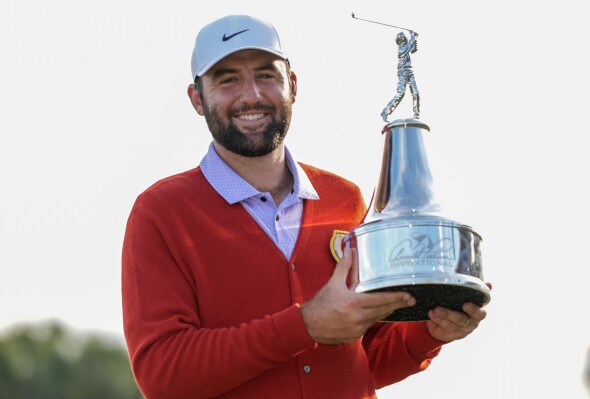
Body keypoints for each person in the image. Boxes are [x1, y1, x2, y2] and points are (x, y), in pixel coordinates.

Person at [121, 14, 489, 399]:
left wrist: (430, 333)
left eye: (266, 75)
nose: (251, 95)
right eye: (228, 79)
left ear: (292, 86)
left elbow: (361, 359)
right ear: (197, 99)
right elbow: (163, 375)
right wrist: (305, 326)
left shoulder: (344, 200)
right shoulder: (160, 213)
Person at [381, 30, 420, 122]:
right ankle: (385, 112)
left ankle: (416, 113)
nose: (404, 39)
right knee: (400, 94)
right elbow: (410, 44)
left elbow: (413, 49)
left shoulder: (406, 46)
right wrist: (413, 35)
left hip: (409, 71)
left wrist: (415, 37)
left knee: (415, 92)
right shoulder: (402, 48)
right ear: (400, 40)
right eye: (403, 38)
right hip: (402, 72)